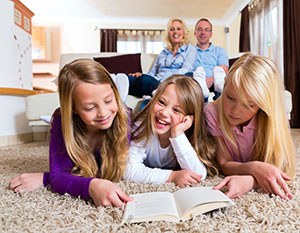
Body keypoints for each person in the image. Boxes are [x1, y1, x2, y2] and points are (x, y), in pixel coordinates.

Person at [9, 59, 133, 207]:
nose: (103, 113)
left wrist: (49, 178)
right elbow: (61, 175)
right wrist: (91, 186)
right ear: (73, 108)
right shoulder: (61, 119)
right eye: (89, 108)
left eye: (108, 101)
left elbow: (111, 171)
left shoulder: (123, 116)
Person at [205, 53, 296, 199]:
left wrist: (250, 182)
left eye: (249, 105)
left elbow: (279, 167)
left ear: (262, 104)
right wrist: (254, 168)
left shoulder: (269, 118)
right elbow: (225, 163)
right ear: (224, 85)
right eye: (230, 97)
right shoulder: (212, 112)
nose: (235, 111)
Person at [124, 75, 218, 187]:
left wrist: (177, 134)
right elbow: (128, 170)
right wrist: (171, 176)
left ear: (188, 119)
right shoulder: (143, 125)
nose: (164, 112)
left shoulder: (186, 135)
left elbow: (198, 175)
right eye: (161, 102)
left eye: (176, 110)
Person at [127, 17, 197, 98]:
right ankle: (114, 78)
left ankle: (158, 92)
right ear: (168, 33)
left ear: (184, 33)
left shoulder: (191, 49)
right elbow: (152, 74)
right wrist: (141, 75)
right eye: (172, 29)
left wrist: (165, 81)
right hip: (155, 82)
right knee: (131, 79)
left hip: (173, 83)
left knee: (189, 75)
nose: (175, 32)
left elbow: (186, 69)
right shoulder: (163, 53)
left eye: (178, 29)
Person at [191, 18, 229, 101]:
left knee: (221, 80)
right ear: (195, 33)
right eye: (200, 29)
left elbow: (224, 68)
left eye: (206, 30)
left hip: (214, 80)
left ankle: (219, 93)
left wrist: (212, 78)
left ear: (211, 33)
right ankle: (203, 99)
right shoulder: (189, 51)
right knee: (192, 79)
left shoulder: (219, 50)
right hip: (195, 82)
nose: (203, 32)